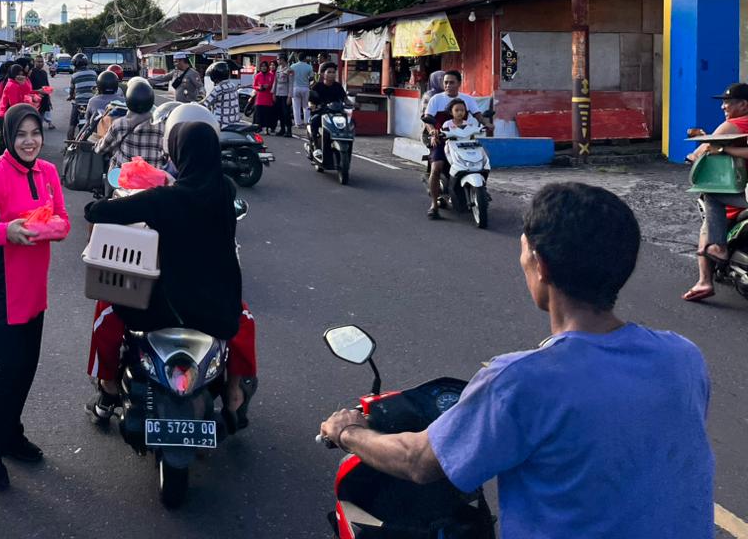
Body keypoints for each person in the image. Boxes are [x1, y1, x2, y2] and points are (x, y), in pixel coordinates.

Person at [320, 182, 714, 539]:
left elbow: (419, 461)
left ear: (540, 266)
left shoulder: (520, 381)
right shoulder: (683, 356)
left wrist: (348, 432)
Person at [84, 118, 256, 428]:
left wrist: (115, 200)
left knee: (106, 311)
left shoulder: (164, 200)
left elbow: (96, 212)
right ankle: (233, 392)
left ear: (179, 154)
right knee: (245, 323)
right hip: (218, 310)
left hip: (161, 310)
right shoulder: (225, 190)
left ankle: (108, 388)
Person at [0, 104, 70, 489]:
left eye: (35, 133)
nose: (29, 141)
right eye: (21, 134)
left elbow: (64, 222)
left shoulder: (49, 172)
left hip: (34, 289)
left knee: (26, 369)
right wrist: (7, 232)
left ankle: (10, 433)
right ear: (8, 136)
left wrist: (42, 230)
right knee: (9, 371)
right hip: (1, 290)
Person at [682, 83, 748, 302]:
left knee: (710, 197)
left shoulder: (734, 124)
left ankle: (706, 278)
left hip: (741, 193)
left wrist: (701, 152)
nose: (723, 107)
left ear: (743, 104)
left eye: (727, 102)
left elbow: (704, 148)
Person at [422, 70, 490, 220]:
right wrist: (433, 131)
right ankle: (434, 204)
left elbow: (478, 116)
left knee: (482, 162)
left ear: (459, 83)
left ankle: (481, 190)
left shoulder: (467, 99)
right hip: (441, 139)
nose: (447, 85)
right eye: (445, 82)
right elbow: (428, 119)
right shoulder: (435, 99)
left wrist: (487, 123)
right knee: (437, 166)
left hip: (464, 140)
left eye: (451, 82)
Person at [95, 77, 166, 170]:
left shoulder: (120, 124)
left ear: (128, 100)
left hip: (125, 177)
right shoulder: (162, 126)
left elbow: (101, 149)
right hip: (152, 178)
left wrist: (96, 144)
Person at [307, 62, 350, 170]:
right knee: (314, 121)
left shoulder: (338, 87)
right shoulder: (317, 86)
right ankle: (316, 146)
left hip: (337, 113)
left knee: (350, 122)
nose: (331, 74)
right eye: (329, 72)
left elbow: (345, 99)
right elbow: (310, 100)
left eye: (333, 72)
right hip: (322, 112)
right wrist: (312, 106)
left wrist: (353, 104)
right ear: (323, 74)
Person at [201, 60, 242, 128]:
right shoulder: (232, 85)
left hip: (221, 124)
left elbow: (204, 104)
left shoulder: (218, 89)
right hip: (234, 122)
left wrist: (192, 105)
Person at [67, 53, 98, 132]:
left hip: (79, 103)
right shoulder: (94, 73)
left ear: (75, 64)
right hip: (92, 103)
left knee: (72, 125)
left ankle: (69, 143)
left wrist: (70, 97)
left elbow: (72, 90)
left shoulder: (74, 76)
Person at [289, 53, 313, 131]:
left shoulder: (292, 66)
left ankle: (298, 123)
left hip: (295, 88)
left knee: (296, 107)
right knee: (306, 106)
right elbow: (312, 77)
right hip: (305, 88)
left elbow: (290, 76)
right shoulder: (309, 67)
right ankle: (307, 122)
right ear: (305, 58)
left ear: (298, 58)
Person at [251, 60, 276, 131]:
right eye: (262, 66)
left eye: (265, 66)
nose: (264, 68)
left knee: (268, 114)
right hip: (260, 97)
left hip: (268, 97)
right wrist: (259, 87)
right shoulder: (258, 75)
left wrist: (268, 86)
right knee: (259, 113)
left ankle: (268, 127)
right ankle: (258, 127)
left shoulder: (271, 75)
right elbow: (254, 85)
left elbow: (273, 85)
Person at [29, 55, 53, 127]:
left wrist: (49, 99)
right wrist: (38, 92)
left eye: (42, 62)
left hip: (44, 99)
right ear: (35, 62)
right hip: (34, 99)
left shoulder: (44, 73)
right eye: (38, 62)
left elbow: (47, 86)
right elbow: (28, 89)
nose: (40, 63)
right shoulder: (31, 73)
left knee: (41, 119)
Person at [272, 58, 293, 136]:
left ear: (283, 60)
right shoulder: (278, 68)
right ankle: (282, 129)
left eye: (279, 59)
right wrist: (273, 93)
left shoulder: (289, 69)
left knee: (286, 113)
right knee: (279, 113)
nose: (278, 61)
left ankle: (289, 130)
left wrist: (289, 96)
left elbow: (291, 83)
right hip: (278, 93)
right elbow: (275, 81)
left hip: (285, 93)